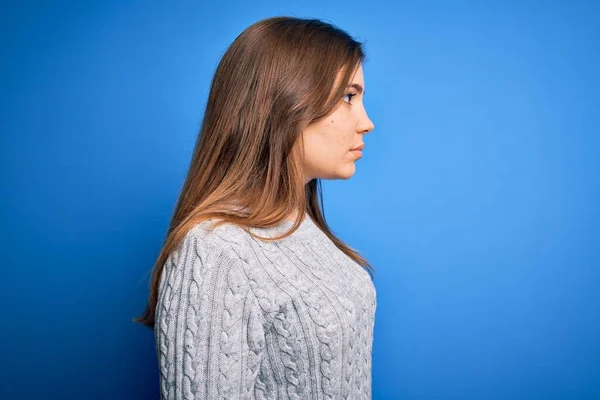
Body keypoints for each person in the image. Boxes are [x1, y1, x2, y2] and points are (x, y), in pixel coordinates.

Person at [133, 15, 376, 399]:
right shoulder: (215, 250)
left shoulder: (302, 225)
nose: (367, 123)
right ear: (285, 99)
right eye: (349, 96)